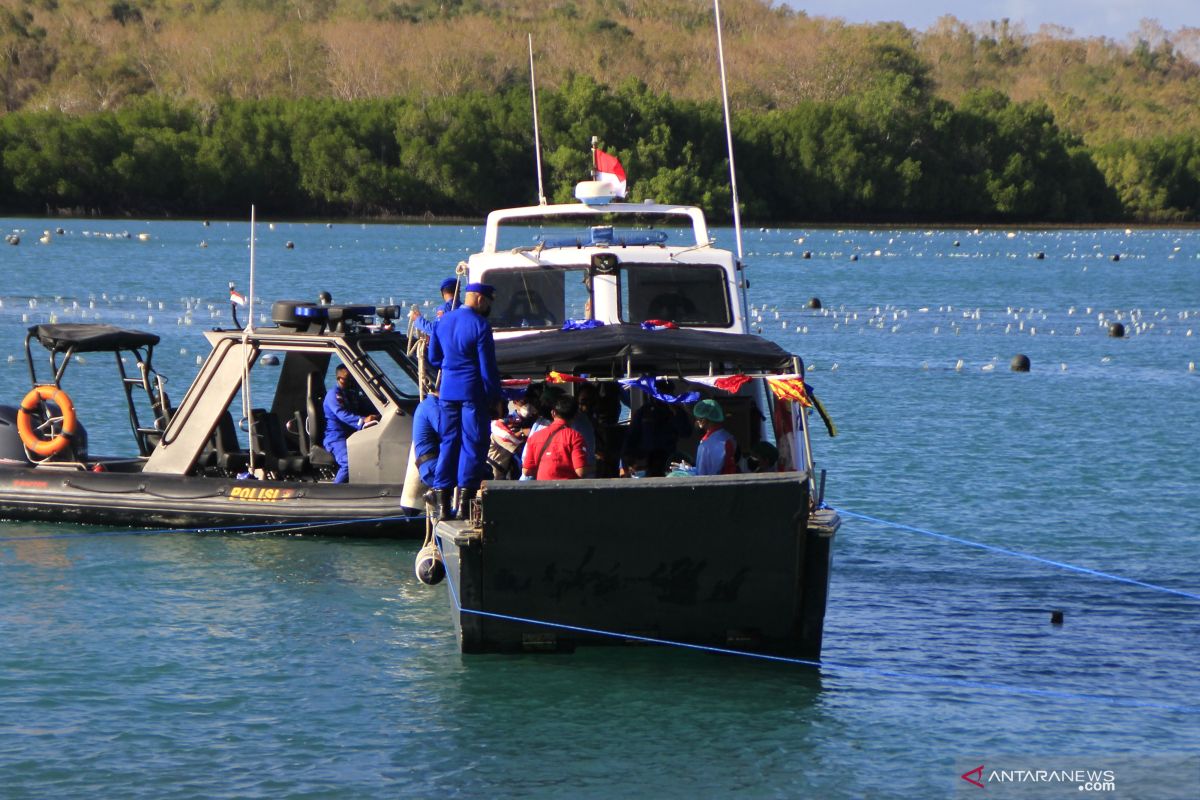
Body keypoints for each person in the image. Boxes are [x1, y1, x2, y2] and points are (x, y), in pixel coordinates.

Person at [428, 282, 500, 519]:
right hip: (472, 393)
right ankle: (464, 507)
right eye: (489, 301)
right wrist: (495, 397)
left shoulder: (443, 321)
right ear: (479, 298)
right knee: (473, 443)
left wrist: (451, 367)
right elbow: (487, 368)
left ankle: (441, 504)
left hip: (447, 391)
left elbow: (434, 357)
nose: (489, 306)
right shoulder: (481, 325)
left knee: (448, 442)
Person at [621, 381, 692, 477]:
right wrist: (627, 461)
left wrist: (676, 413)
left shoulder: (676, 411)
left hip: (668, 458)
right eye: (659, 393)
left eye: (666, 393)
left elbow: (686, 432)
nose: (662, 397)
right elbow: (631, 436)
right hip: (647, 459)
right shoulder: (644, 411)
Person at [322, 365, 379, 483]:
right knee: (348, 462)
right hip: (337, 437)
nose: (350, 382)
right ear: (339, 378)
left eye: (352, 379)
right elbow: (342, 414)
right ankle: (334, 493)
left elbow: (364, 406)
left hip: (353, 435)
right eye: (347, 379)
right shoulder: (333, 395)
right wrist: (363, 420)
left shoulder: (351, 394)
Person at [522, 395, 588, 480]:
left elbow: (526, 471)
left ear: (553, 413)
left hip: (543, 490)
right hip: (567, 490)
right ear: (575, 415)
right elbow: (580, 471)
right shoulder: (575, 437)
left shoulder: (535, 436)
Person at [693, 398, 738, 476]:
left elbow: (702, 476)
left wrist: (688, 472)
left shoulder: (707, 445)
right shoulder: (729, 437)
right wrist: (690, 468)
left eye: (698, 419)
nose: (696, 422)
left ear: (703, 421)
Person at [412, 385, 442, 489]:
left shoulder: (427, 404)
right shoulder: (433, 407)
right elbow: (448, 433)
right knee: (480, 472)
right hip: (433, 466)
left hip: (429, 465)